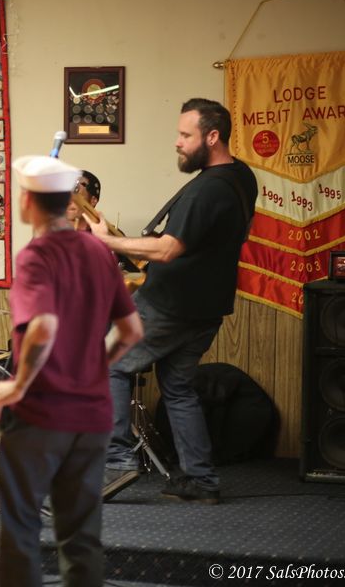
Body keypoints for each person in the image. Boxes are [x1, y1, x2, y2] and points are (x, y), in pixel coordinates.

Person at [85, 98, 257, 505]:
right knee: (178, 388)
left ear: (212, 137)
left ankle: (117, 462)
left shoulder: (207, 190)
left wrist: (106, 241)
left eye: (185, 135)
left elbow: (167, 249)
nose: (177, 143)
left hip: (171, 306)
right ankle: (201, 480)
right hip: (207, 307)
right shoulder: (241, 176)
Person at [0, 155, 143, 587]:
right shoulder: (99, 251)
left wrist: (18, 385)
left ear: (28, 201)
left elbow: (43, 326)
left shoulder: (35, 256)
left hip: (41, 415)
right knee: (81, 537)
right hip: (92, 416)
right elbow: (131, 331)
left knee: (20, 531)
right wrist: (93, 369)